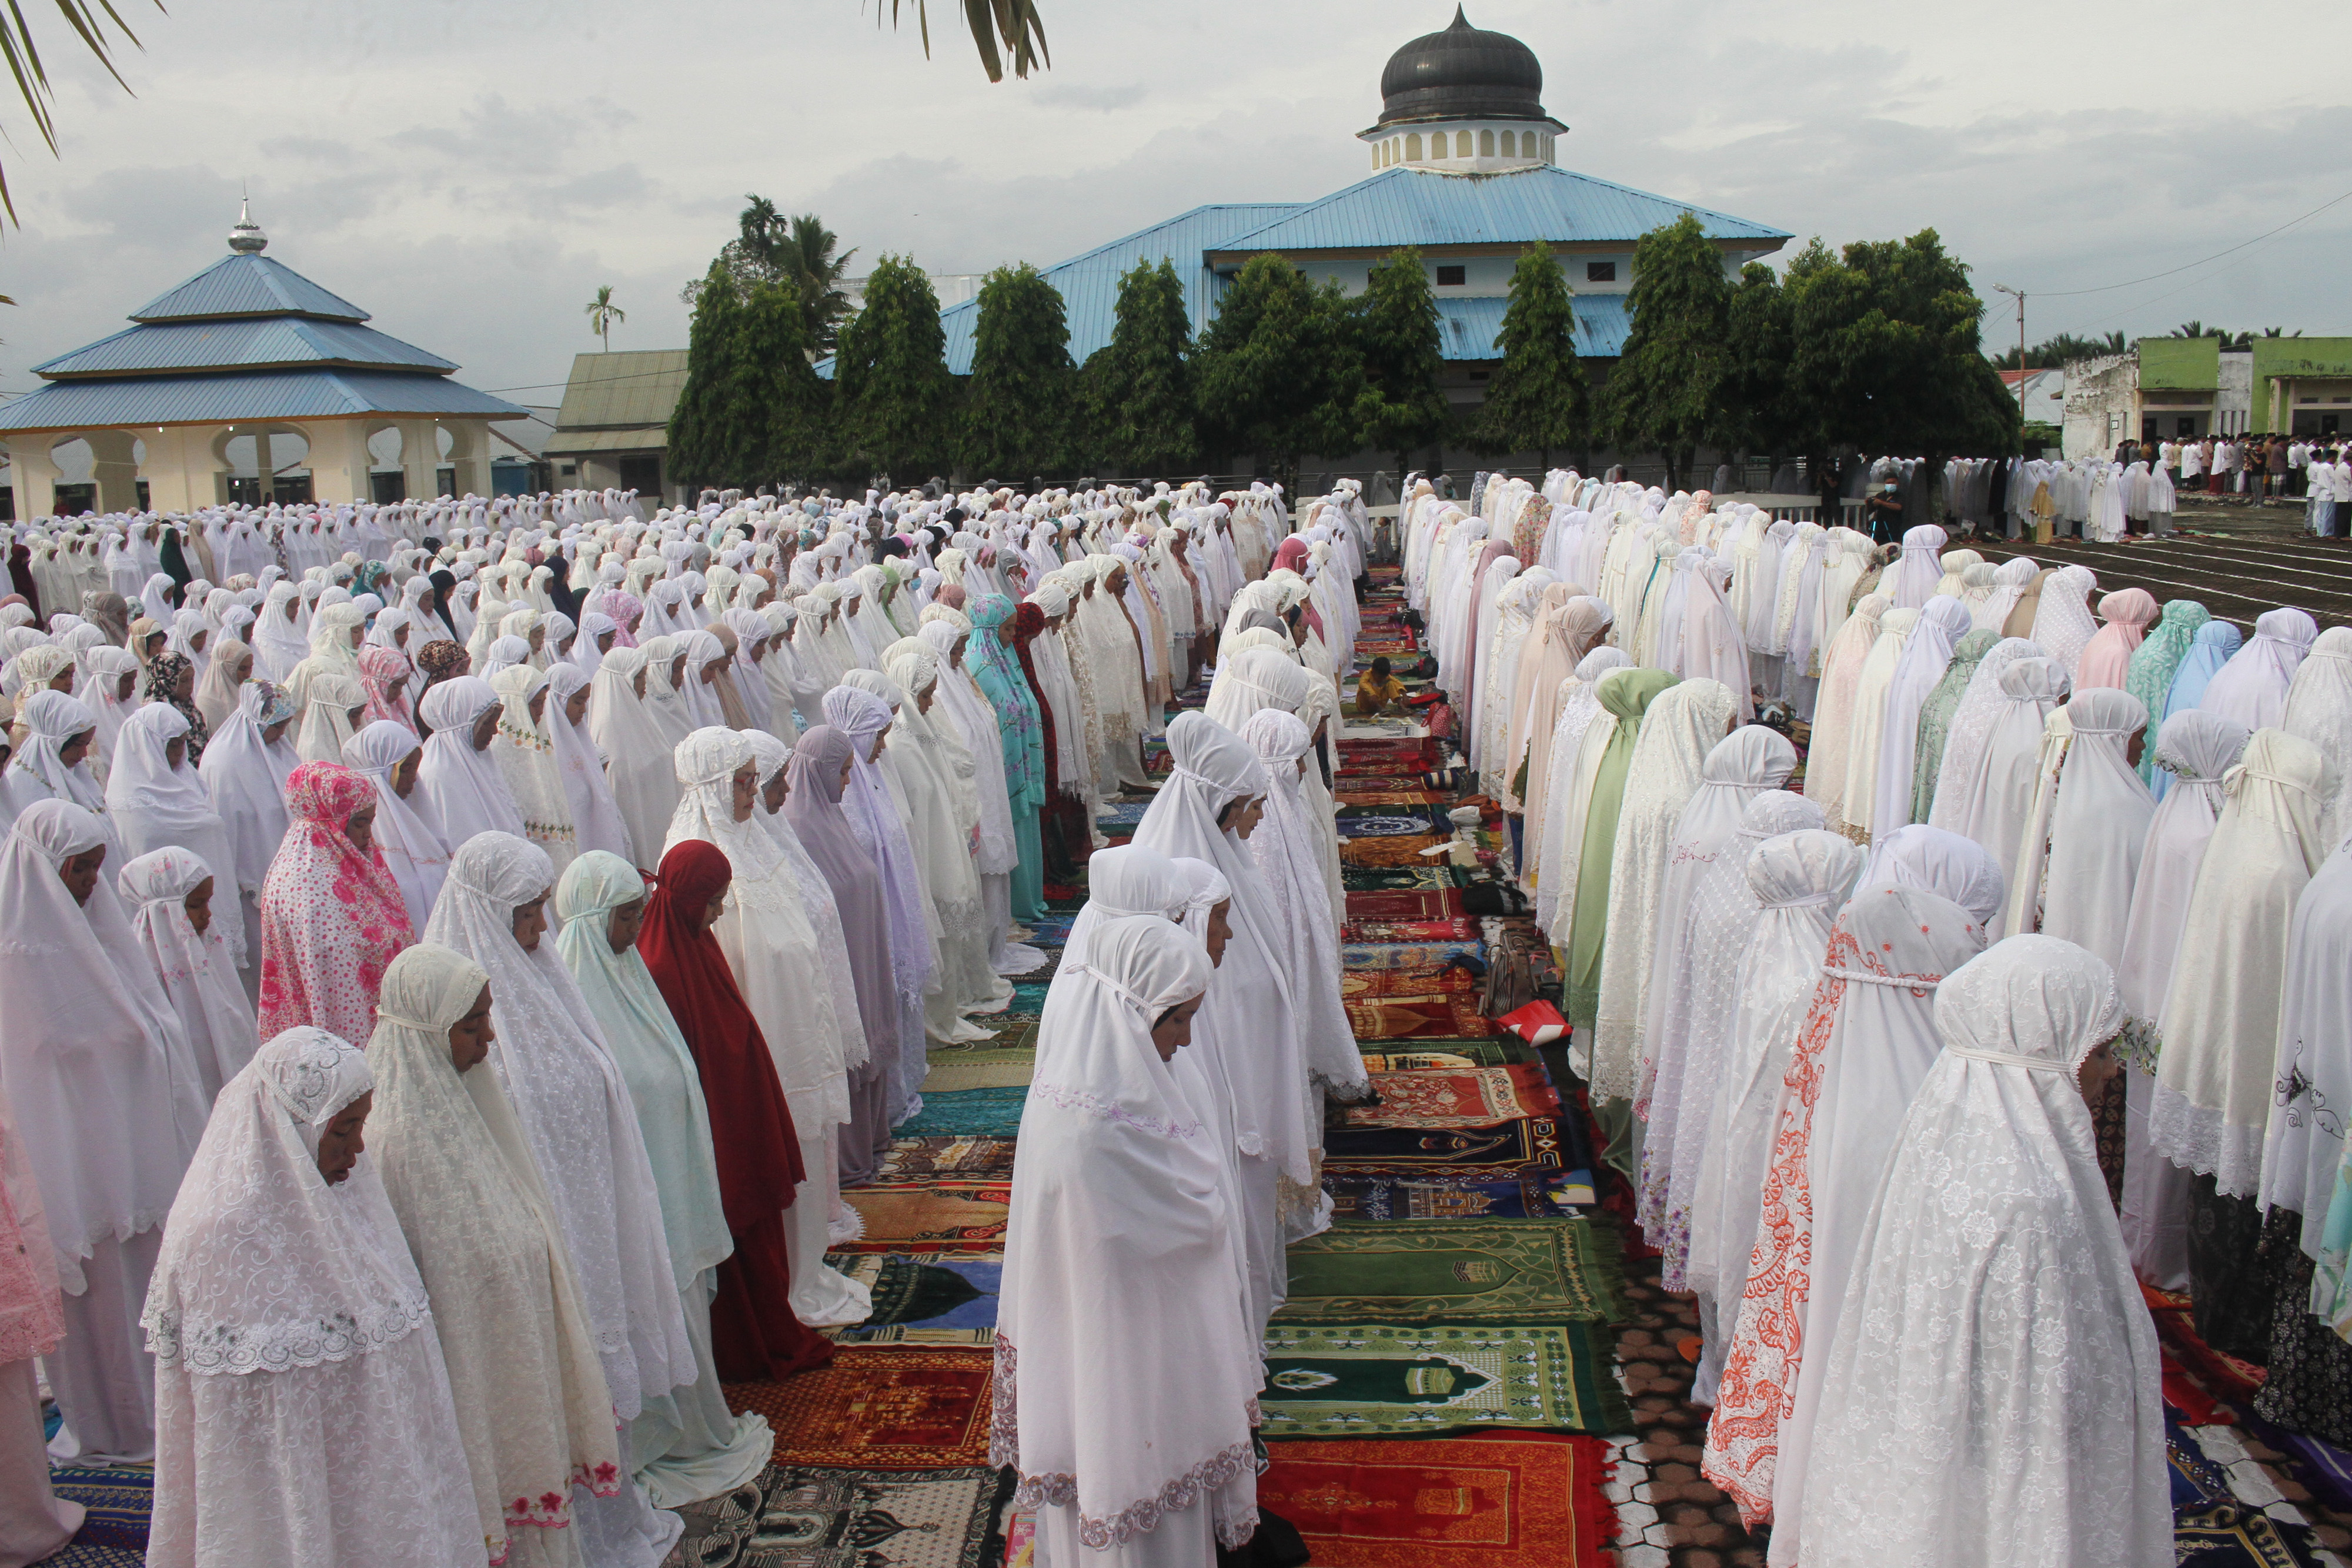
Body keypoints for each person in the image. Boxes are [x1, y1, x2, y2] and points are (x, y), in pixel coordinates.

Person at [1793, 938, 2168, 1568]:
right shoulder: (2028, 1203)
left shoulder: (1944, 1128)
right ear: (2044, 1054)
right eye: (2098, 1051)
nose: (2110, 1070)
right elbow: (2036, 1413)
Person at [143, 1026, 485, 1568]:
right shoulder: (218, 1234)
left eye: (359, 1127)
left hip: (363, 1469)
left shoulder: (348, 1196)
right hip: (282, 1482)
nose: (357, 1148)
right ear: (291, 1128)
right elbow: (237, 1426)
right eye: (343, 1130)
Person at [996, 915, 1263, 1568]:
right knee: (1127, 1515)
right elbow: (1155, 1234)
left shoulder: (1115, 1097)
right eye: (1177, 1020)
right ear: (1131, 1012)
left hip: (1149, 1354)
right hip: (1118, 1362)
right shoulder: (1093, 1130)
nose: (1185, 1038)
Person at [420, 833, 699, 1447]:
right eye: (526, 913)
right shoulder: (459, 1000)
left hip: (586, 1193)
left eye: (542, 907)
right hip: (535, 1205)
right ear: (490, 913)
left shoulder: (544, 971)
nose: (540, 926)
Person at [552, 851, 773, 1506]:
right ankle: (663, 1436)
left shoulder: (628, 977)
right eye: (625, 917)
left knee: (682, 1312)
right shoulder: (578, 993)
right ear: (594, 920)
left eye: (639, 914)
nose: (635, 930)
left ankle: (698, 1421)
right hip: (635, 1208)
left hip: (669, 1194)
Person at [0, 800, 205, 1466]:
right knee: (92, 1301)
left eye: (95, 866)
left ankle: (162, 1412)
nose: (91, 881)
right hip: (71, 1163)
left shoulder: (104, 933)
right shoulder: (16, 953)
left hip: (133, 1150)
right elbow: (37, 1061)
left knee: (144, 1282)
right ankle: (107, 1426)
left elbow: (148, 1024)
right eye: (78, 869)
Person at [635, 837, 839, 1378]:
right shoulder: (660, 964)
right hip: (716, 1132)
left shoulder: (694, 941)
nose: (720, 911)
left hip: (737, 1116)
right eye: (713, 900)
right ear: (686, 900)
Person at [781, 726, 903, 1187]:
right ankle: (849, 1157)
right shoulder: (798, 829)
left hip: (864, 953)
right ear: (820, 771)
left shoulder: (831, 817)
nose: (849, 780)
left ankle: (870, 1138)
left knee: (872, 1033)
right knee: (851, 1042)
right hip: (841, 960)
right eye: (844, 771)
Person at [257, 760, 414, 1045]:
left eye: (370, 822)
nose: (368, 834)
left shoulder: (351, 859)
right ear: (333, 820)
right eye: (359, 823)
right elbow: (333, 972)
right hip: (346, 1029)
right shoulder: (308, 884)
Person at [118, 845, 259, 1105]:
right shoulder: (141, 976)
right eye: (195, 906)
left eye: (207, 902)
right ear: (166, 912)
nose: (207, 914)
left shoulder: (211, 960)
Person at [341, 718, 453, 935]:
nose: (413, 778)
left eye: (415, 769)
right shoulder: (360, 831)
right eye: (406, 769)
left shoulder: (419, 823)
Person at [414, 674, 528, 849]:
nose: (495, 730)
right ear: (464, 726)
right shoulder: (437, 775)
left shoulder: (481, 760)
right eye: (487, 723)